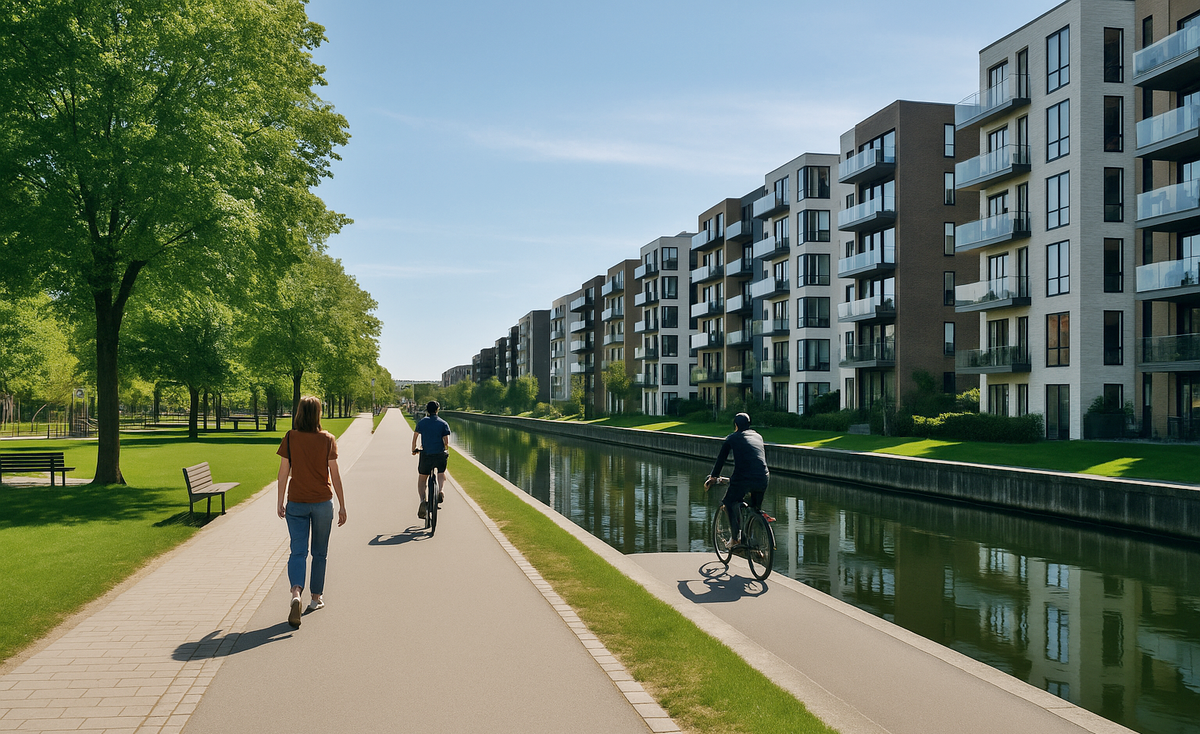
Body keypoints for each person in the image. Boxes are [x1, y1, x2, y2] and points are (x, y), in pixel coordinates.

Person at [276, 395, 347, 628]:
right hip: (322, 503)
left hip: (296, 501)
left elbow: (283, 472)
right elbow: (335, 475)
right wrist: (343, 505)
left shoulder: (290, 438)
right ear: (318, 414)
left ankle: (296, 592)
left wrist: (280, 501)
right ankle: (316, 598)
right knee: (319, 553)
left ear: (298, 413)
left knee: (298, 551)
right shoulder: (328, 439)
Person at [704, 412, 769, 549]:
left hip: (743, 478)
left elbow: (721, 459)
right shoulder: (758, 436)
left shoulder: (732, 438)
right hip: (763, 477)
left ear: (736, 425)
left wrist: (713, 476)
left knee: (729, 501)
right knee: (754, 509)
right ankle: (756, 543)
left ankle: (735, 539)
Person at [411, 400, 450, 520]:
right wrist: (445, 449)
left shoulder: (422, 422)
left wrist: (414, 449)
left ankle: (423, 500)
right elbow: (446, 442)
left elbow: (415, 437)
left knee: (422, 478)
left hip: (426, 455)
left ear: (427, 410)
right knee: (442, 473)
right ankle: (441, 491)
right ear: (437, 410)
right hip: (439, 455)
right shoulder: (443, 423)